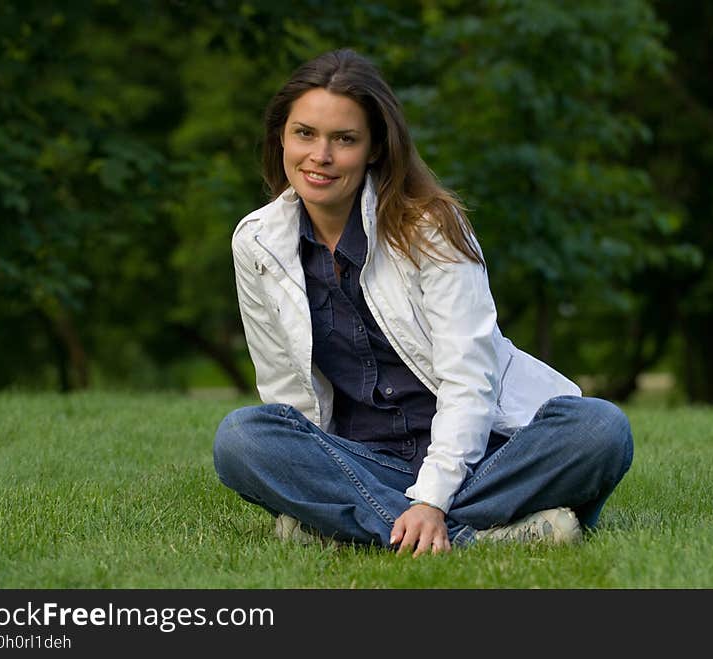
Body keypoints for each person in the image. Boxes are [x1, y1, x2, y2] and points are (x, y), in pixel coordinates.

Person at [213, 48, 633, 557]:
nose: (319, 156)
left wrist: (431, 498)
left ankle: (365, 528)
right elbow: (287, 394)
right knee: (242, 438)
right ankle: (480, 536)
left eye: (343, 139)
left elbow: (468, 378)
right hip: (365, 460)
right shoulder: (255, 242)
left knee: (599, 428)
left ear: (374, 148)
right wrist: (310, 472)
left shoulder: (431, 228)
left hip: (484, 453)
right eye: (305, 133)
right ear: (281, 135)